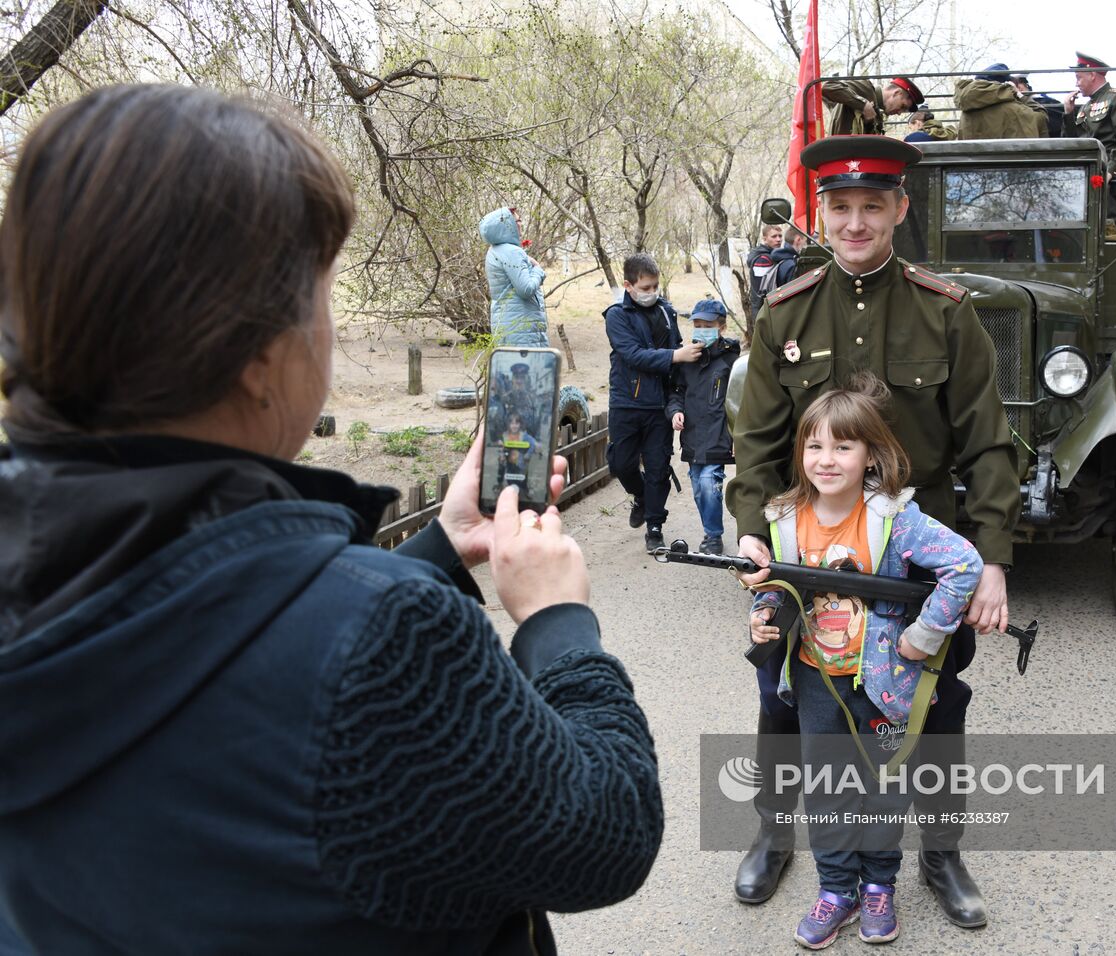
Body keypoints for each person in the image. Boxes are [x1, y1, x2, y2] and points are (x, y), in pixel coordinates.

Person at [0, 84, 663, 955]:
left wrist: (432, 552)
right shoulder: (390, 640)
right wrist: (559, 622)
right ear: (256, 353)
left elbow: (210, 627)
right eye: (321, 295)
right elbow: (603, 835)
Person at [727, 135, 1019, 928]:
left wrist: (990, 561)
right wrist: (756, 536)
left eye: (871, 207)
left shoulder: (945, 313)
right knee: (784, 697)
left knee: (935, 705)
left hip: (915, 565)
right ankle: (776, 831)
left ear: (899, 209)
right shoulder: (785, 312)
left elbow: (989, 443)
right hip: (803, 558)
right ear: (823, 212)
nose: (855, 223)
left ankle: (942, 851)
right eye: (841, 208)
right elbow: (754, 445)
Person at [747, 375, 984, 949]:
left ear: (871, 455)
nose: (826, 460)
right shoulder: (781, 518)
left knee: (884, 787)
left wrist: (924, 637)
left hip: (886, 681)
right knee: (826, 788)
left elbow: (964, 564)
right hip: (812, 680)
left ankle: (879, 885)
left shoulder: (895, 519)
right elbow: (778, 590)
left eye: (843, 446)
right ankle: (836, 890)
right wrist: (761, 615)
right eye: (814, 446)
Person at [605, 252, 700, 550]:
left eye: (655, 286)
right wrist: (675, 356)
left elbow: (677, 352)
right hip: (626, 403)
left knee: (659, 467)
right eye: (645, 288)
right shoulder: (617, 316)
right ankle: (641, 496)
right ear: (628, 286)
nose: (651, 293)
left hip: (659, 404)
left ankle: (655, 526)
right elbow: (632, 354)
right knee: (621, 463)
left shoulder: (667, 312)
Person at [666, 299, 742, 554]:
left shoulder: (731, 360)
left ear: (721, 327)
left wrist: (737, 435)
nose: (701, 330)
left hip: (719, 434)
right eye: (697, 325)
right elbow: (676, 392)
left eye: (708, 325)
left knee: (710, 482)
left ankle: (713, 536)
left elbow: (739, 398)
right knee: (699, 488)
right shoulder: (687, 360)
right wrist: (675, 411)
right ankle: (710, 530)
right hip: (693, 436)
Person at [1061, 53, 1116, 227]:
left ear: (1092, 75)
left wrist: (1111, 171)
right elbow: (1073, 143)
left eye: (1079, 78)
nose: (1077, 83)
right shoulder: (1086, 107)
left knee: (1109, 228)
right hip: (1088, 175)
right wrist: (1068, 113)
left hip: (1110, 180)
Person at [480, 206, 549, 346]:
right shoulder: (512, 252)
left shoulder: (494, 251)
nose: (520, 224)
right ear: (507, 225)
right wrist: (538, 270)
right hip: (522, 329)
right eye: (518, 220)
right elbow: (526, 289)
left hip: (507, 324)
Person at [953, 63, 1044, 140]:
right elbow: (1041, 119)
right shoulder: (1014, 110)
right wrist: (1020, 96)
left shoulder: (966, 110)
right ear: (1006, 84)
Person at [822, 75, 923, 136]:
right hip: (841, 163)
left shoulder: (878, 117)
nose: (900, 113)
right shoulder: (865, 89)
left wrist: (868, 122)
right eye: (903, 106)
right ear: (896, 93)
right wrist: (863, 105)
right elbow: (828, 87)